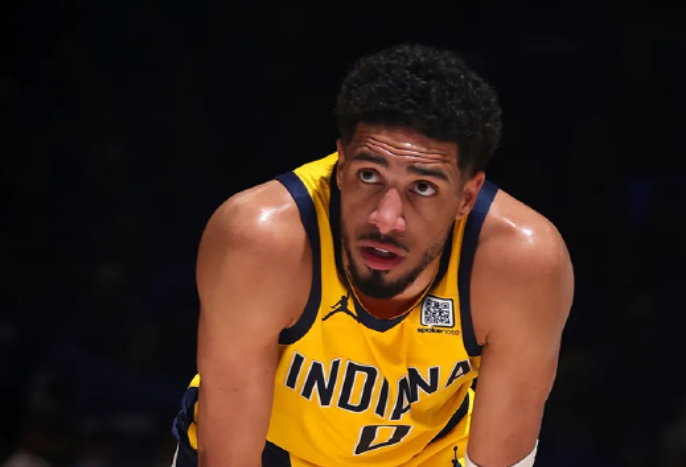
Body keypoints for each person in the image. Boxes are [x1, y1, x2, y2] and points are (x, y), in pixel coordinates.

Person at [171, 43, 574, 467]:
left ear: (466, 197)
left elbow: (498, 461)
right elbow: (230, 456)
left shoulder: (522, 265)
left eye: (423, 187)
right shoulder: (260, 241)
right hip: (273, 450)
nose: (386, 219)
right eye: (369, 175)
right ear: (341, 165)